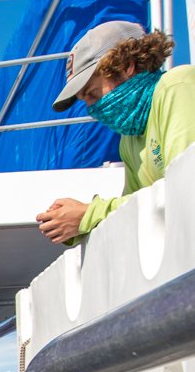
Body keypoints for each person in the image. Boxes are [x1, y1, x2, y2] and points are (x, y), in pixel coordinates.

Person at [37, 22, 195, 247]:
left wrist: (87, 215)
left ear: (126, 66)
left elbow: (185, 189)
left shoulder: (177, 87)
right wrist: (77, 224)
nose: (93, 109)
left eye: (92, 93)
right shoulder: (129, 138)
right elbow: (134, 214)